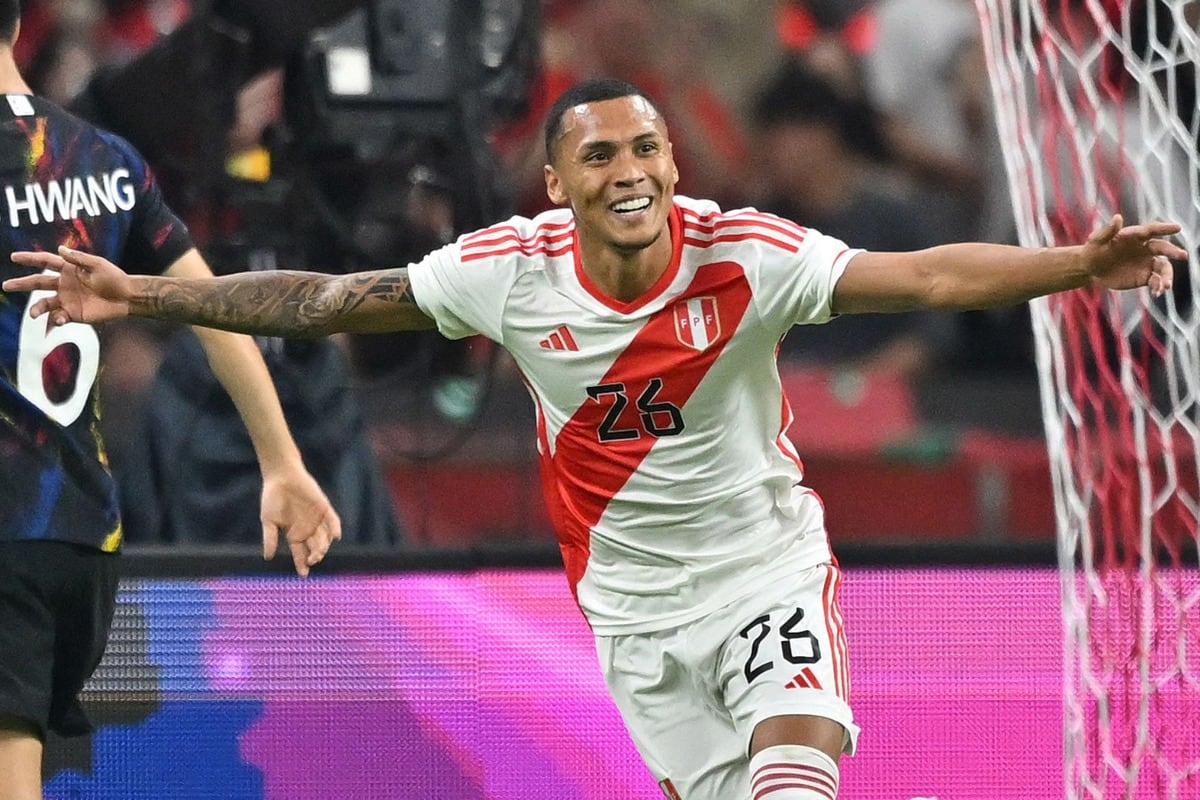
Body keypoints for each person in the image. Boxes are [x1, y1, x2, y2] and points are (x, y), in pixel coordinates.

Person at [7, 77, 1185, 800]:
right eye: (604, 155)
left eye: (648, 150)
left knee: (797, 754)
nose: (634, 172)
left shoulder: (747, 254)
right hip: (630, 611)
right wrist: (152, 297)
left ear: (674, 161)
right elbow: (323, 299)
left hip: (762, 566)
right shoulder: (506, 275)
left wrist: (1078, 266)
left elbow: (926, 276)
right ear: (558, 180)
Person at [0, 3, 341, 798]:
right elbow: (216, 311)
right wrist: (281, 461)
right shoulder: (105, 160)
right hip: (81, 539)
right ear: (17, 27)